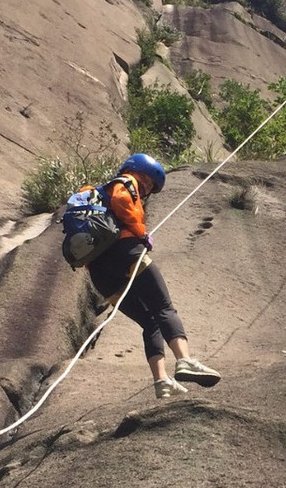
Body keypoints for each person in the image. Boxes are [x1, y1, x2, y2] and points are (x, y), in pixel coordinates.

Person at [87, 152, 221, 401]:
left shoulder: (97, 197)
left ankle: (162, 383)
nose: (147, 187)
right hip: (126, 253)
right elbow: (121, 201)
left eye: (150, 186)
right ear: (137, 170)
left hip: (101, 274)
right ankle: (185, 361)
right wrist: (141, 233)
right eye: (148, 181)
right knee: (164, 307)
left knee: (150, 322)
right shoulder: (125, 182)